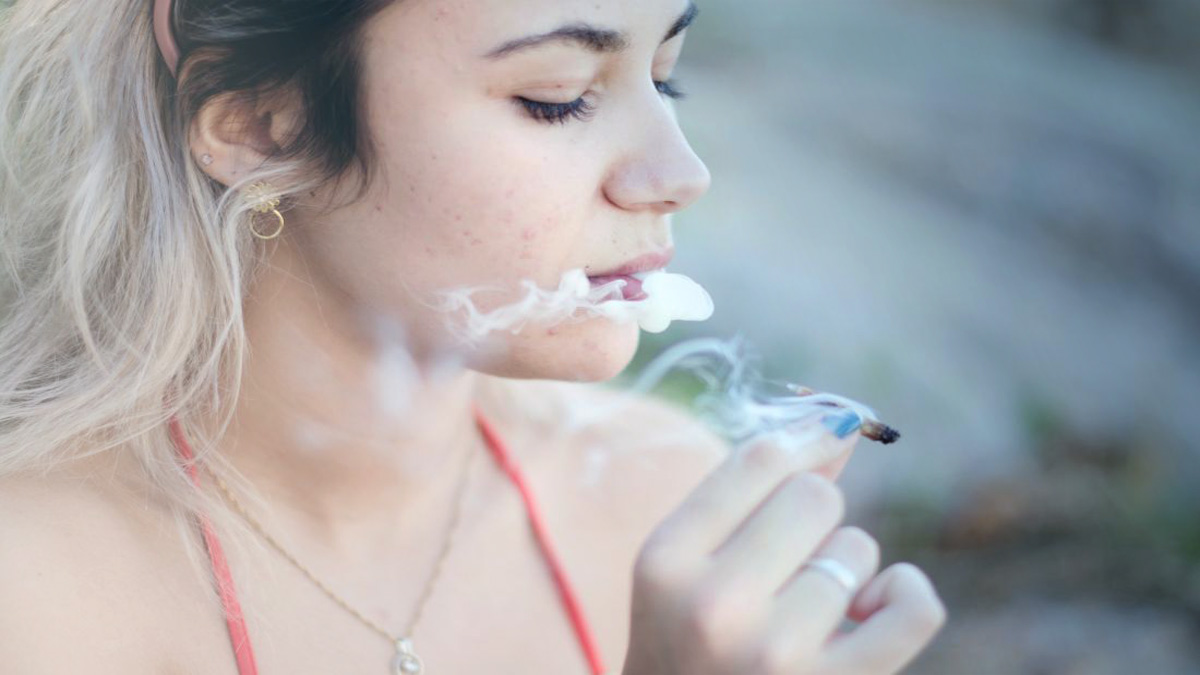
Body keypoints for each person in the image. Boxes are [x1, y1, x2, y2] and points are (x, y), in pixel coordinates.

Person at [0, 0, 945, 673]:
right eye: (558, 94)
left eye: (667, 78)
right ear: (260, 124)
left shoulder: (667, 505)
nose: (677, 171)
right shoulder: (31, 588)